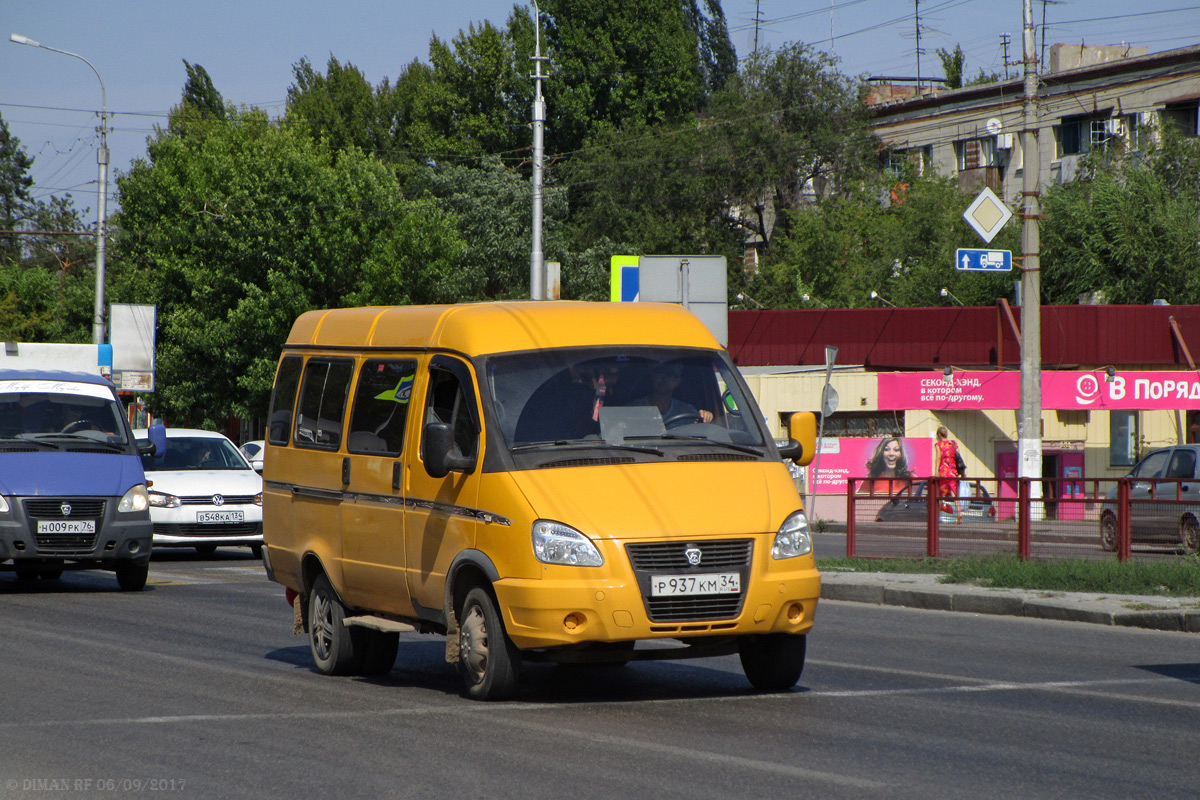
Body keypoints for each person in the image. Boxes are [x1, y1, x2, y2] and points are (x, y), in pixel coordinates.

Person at [636, 362, 713, 428]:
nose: (665, 378)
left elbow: (701, 431)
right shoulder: (634, 409)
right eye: (660, 373)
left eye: (671, 375)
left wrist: (706, 417)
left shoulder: (687, 411)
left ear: (678, 381)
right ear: (653, 376)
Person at [934, 426, 962, 523]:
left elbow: (938, 457)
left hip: (944, 472)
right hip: (953, 472)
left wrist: (936, 471)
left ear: (939, 435)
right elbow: (959, 457)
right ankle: (959, 514)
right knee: (955, 494)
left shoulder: (939, 445)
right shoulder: (953, 443)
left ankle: (936, 516)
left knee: (939, 494)